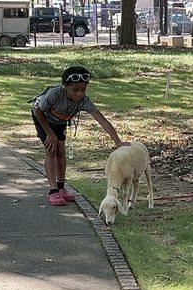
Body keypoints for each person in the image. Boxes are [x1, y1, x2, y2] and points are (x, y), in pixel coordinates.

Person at [31, 65, 129, 206]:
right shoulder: (55, 94)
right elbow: (38, 111)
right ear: (65, 86)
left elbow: (102, 120)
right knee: (51, 149)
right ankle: (53, 191)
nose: (79, 94)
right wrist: (49, 134)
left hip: (59, 121)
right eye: (75, 90)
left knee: (61, 151)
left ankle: (61, 187)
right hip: (43, 119)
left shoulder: (84, 101)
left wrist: (118, 142)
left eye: (83, 90)